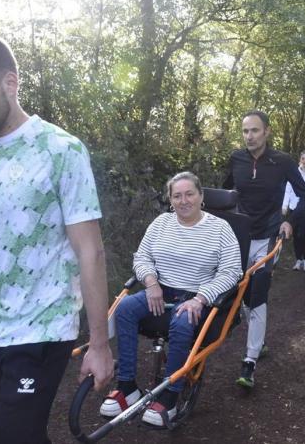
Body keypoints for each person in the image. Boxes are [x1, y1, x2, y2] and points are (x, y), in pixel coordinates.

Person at [0, 32, 114, 443]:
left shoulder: (61, 150)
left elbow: (89, 250)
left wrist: (99, 343)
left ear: (10, 82)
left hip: (42, 329)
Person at [99, 172, 242, 426]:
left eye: (189, 194)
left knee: (183, 322)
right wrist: (151, 283)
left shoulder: (220, 228)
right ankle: (127, 386)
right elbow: (141, 257)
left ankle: (170, 396)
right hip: (160, 291)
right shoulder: (161, 223)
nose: (183, 200)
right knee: (125, 308)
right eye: (177, 196)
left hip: (195, 295)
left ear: (201, 196)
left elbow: (232, 271)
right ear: (170, 199)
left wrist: (200, 298)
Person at [223, 110, 305, 389]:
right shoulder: (236, 159)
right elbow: (224, 194)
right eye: (245, 131)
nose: (249, 136)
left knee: (258, 293)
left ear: (267, 132)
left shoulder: (282, 161)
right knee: (243, 296)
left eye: (255, 130)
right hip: (239, 238)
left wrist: (290, 222)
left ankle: (249, 362)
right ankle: (258, 341)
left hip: (269, 236)